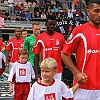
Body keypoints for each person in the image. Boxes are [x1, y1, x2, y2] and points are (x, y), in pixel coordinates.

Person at [61, 0, 100, 100]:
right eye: (96, 11)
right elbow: (64, 54)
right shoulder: (80, 31)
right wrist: (76, 73)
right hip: (83, 87)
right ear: (88, 11)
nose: (99, 14)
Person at [33, 15, 65, 80]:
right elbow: (36, 55)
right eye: (50, 24)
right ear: (46, 24)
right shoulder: (40, 37)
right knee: (45, 89)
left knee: (57, 89)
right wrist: (36, 73)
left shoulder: (60, 37)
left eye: (53, 24)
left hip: (57, 70)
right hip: (45, 70)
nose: (52, 26)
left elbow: (65, 54)